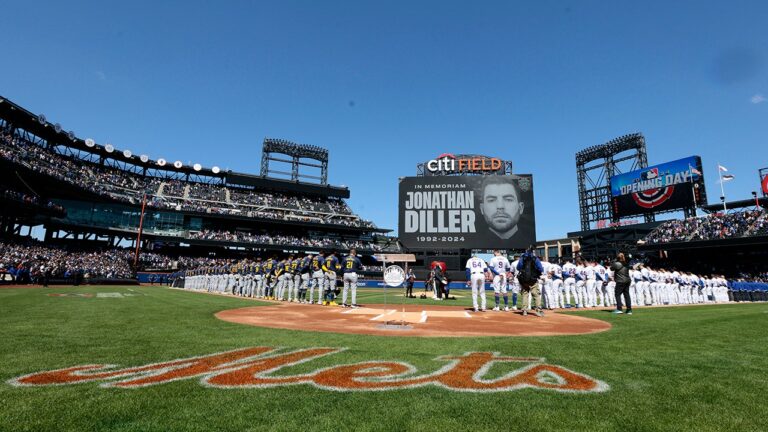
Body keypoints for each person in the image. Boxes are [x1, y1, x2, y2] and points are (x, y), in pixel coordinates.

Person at [516, 246, 544, 317]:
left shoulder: (522, 258)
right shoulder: (535, 258)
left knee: (525, 294)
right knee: (536, 295)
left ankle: (524, 310)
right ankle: (538, 310)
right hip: (533, 280)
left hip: (524, 280)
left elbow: (518, 267)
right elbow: (540, 269)